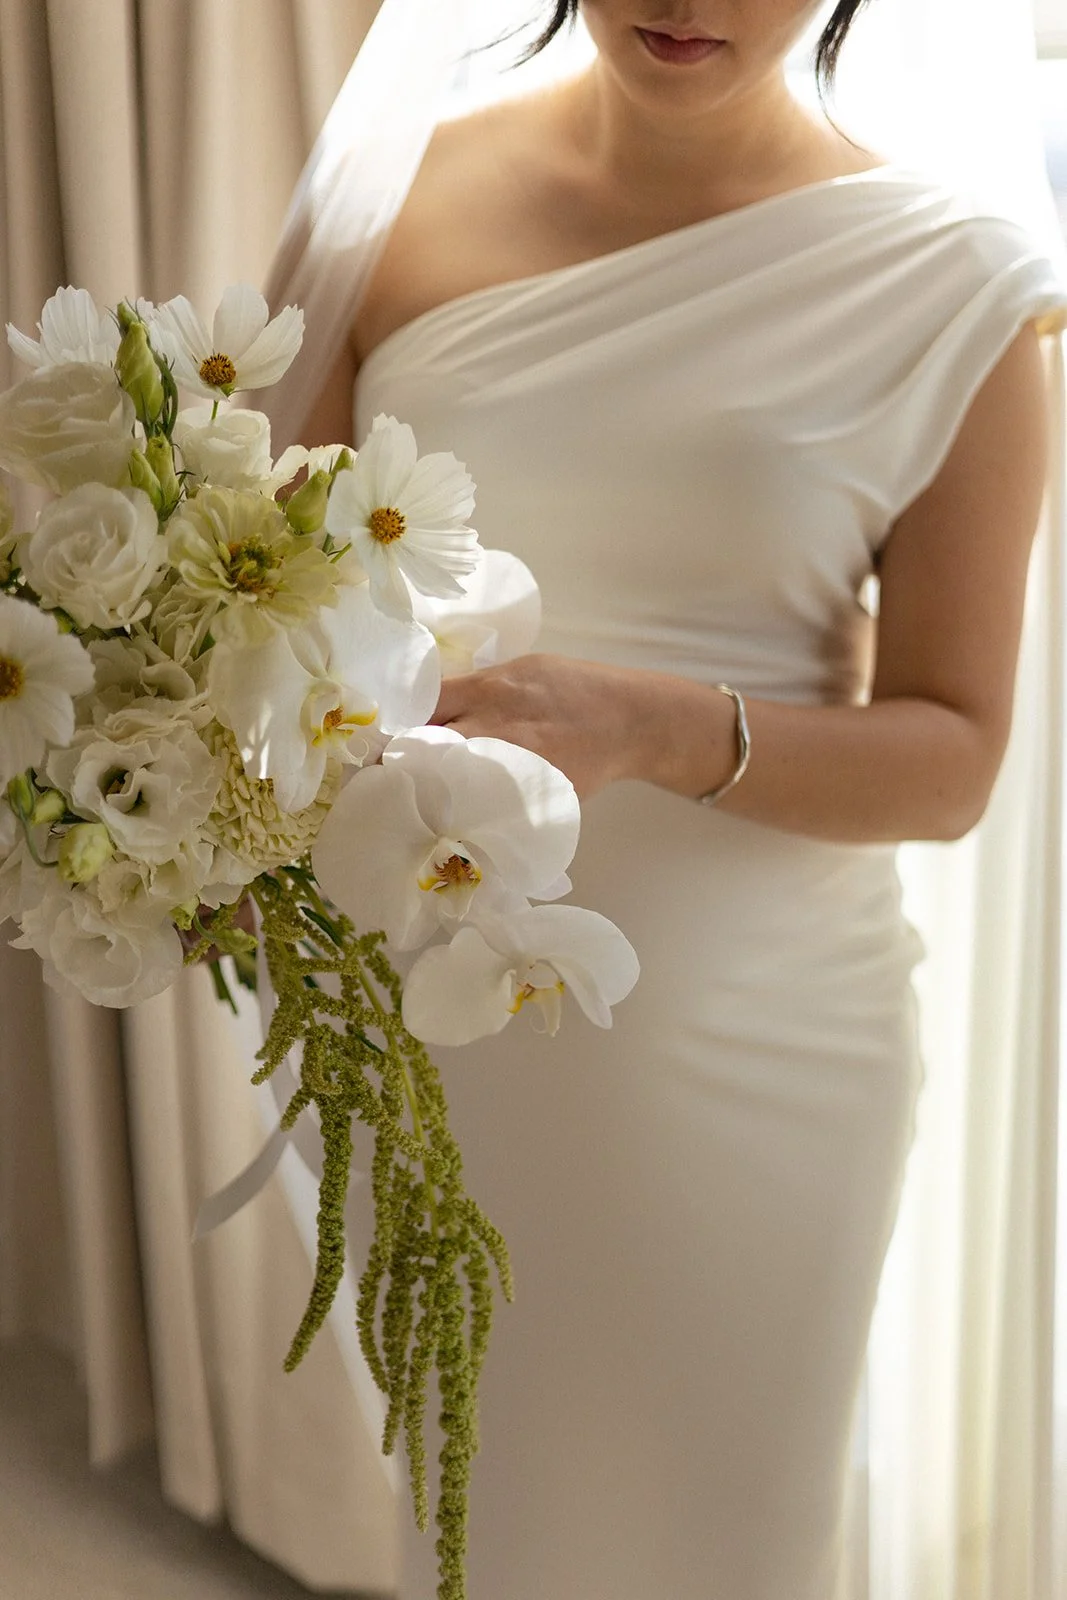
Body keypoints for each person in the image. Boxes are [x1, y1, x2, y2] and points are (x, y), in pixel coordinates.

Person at [281, 3, 1067, 1596]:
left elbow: (953, 755)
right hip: (440, 1011)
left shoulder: (961, 290)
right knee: (488, 1515)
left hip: (755, 1044)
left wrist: (645, 724)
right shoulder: (391, 194)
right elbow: (268, 610)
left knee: (725, 1534)